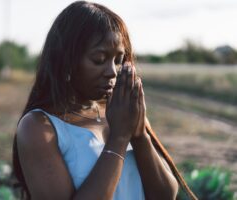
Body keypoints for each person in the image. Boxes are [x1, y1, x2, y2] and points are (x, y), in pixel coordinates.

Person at [12, 1, 197, 199]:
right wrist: (118, 138)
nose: (112, 72)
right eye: (99, 60)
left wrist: (140, 135)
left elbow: (165, 195)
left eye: (118, 60)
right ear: (66, 61)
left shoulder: (121, 112)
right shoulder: (39, 127)